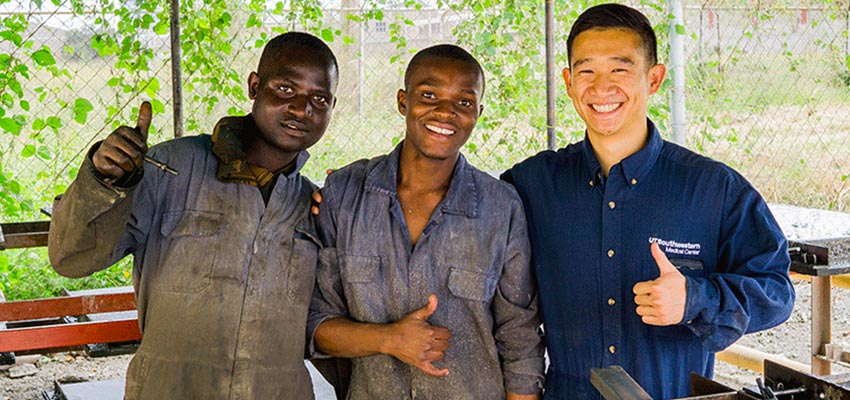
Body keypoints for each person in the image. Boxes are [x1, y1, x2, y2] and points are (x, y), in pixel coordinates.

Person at [501, 4, 795, 399]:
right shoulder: (533, 184)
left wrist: (696, 298)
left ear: (654, 78)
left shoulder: (713, 189)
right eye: (587, 71)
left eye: (620, 69)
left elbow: (776, 292)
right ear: (569, 82)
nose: (601, 87)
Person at [48, 32, 338, 399]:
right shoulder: (169, 169)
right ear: (254, 85)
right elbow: (69, 259)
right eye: (285, 89)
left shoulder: (314, 206)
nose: (301, 108)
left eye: (319, 98)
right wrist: (103, 178)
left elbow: (328, 323)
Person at [307, 44, 545, 399]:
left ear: (478, 112)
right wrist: (389, 339)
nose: (445, 112)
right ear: (404, 101)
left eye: (463, 102)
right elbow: (316, 324)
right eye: (429, 95)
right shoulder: (344, 195)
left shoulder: (501, 207)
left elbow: (520, 336)